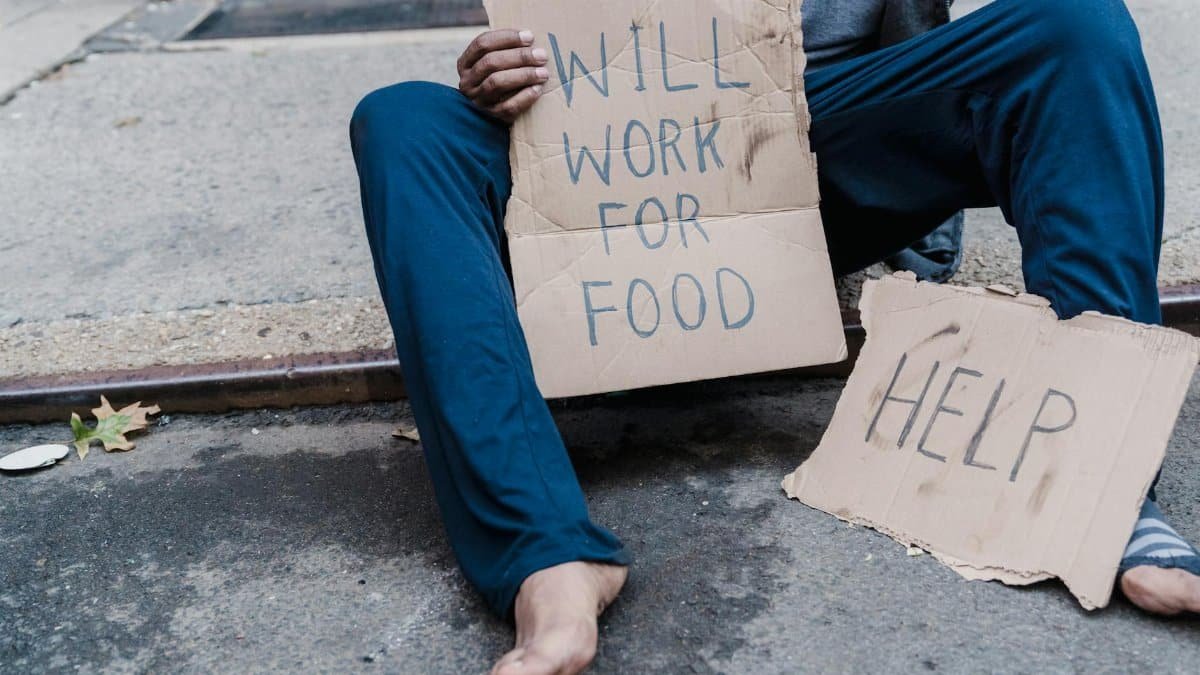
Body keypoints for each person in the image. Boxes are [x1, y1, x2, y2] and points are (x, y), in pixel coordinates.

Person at [349, 1, 1200, 672]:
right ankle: (545, 556)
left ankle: (1106, 485)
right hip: (616, 170)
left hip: (824, 144)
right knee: (402, 122)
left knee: (1075, 22)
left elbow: (927, 40)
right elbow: (544, 51)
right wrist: (496, 76)